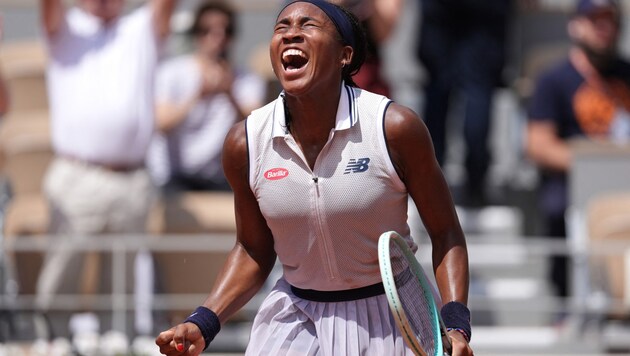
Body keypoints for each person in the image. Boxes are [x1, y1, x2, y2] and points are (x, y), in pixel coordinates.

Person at [156, 1, 473, 355]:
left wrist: (456, 323)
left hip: (390, 319)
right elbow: (252, 249)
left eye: (308, 25)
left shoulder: (395, 128)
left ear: (345, 55)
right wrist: (204, 320)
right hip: (292, 320)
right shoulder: (244, 143)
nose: (291, 33)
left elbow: (446, 233)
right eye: (281, 28)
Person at [36, 0, 178, 339]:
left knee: (123, 290)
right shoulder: (66, 26)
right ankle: (49, 345)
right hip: (76, 177)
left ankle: (118, 346)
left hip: (132, 179)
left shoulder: (140, 27)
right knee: (60, 278)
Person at [526, 0, 630, 305]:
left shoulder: (627, 74)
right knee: (557, 207)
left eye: (609, 20)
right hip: (572, 182)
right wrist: (594, 166)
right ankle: (565, 299)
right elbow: (538, 144)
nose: (603, 28)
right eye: (594, 20)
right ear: (576, 25)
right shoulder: (553, 79)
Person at [147, 0, 266, 191]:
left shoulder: (246, 80)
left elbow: (258, 133)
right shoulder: (172, 73)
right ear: (196, 34)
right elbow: (161, 124)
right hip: (175, 176)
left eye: (225, 31)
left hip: (222, 178)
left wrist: (230, 94)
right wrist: (197, 95)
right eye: (206, 30)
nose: (216, 38)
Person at [416, 0, 513, 206]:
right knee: (475, 91)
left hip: (444, 13)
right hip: (484, 15)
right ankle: (475, 181)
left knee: (439, 91)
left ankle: (430, 183)